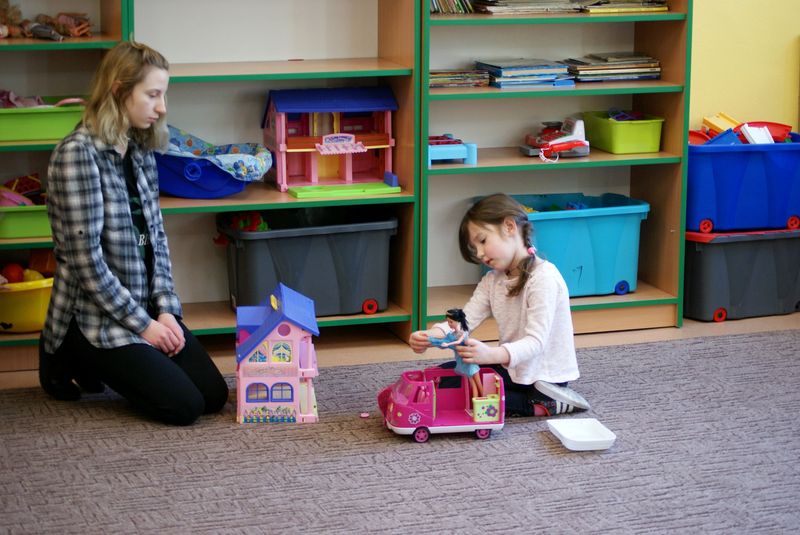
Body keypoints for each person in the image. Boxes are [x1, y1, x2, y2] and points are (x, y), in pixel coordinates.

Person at [38, 41, 229, 426]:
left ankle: (122, 352)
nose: (163, 108)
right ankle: (68, 347)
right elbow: (87, 263)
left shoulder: (139, 146)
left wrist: (167, 312)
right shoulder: (77, 154)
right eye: (153, 95)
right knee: (184, 408)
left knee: (213, 396)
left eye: (164, 95)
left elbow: (156, 239)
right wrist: (145, 328)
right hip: (95, 317)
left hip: (143, 306)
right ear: (119, 90)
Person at [409, 193, 590, 417]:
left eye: (483, 241)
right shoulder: (492, 280)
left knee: (471, 395)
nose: (480, 254)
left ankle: (547, 403)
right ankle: (528, 397)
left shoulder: (544, 278)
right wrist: (431, 335)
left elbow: (536, 343)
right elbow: (465, 320)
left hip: (544, 377)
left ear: (509, 227)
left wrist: (490, 355)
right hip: (512, 367)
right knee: (442, 377)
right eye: (475, 248)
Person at [428, 308, 483, 399]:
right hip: (463, 360)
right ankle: (476, 403)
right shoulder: (453, 334)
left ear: (458, 321)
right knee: (473, 383)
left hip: (469, 360)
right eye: (448, 322)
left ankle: (483, 400)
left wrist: (448, 344)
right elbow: (446, 340)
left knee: (478, 383)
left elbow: (458, 342)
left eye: (451, 322)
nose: (449, 324)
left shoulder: (463, 332)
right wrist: (431, 339)